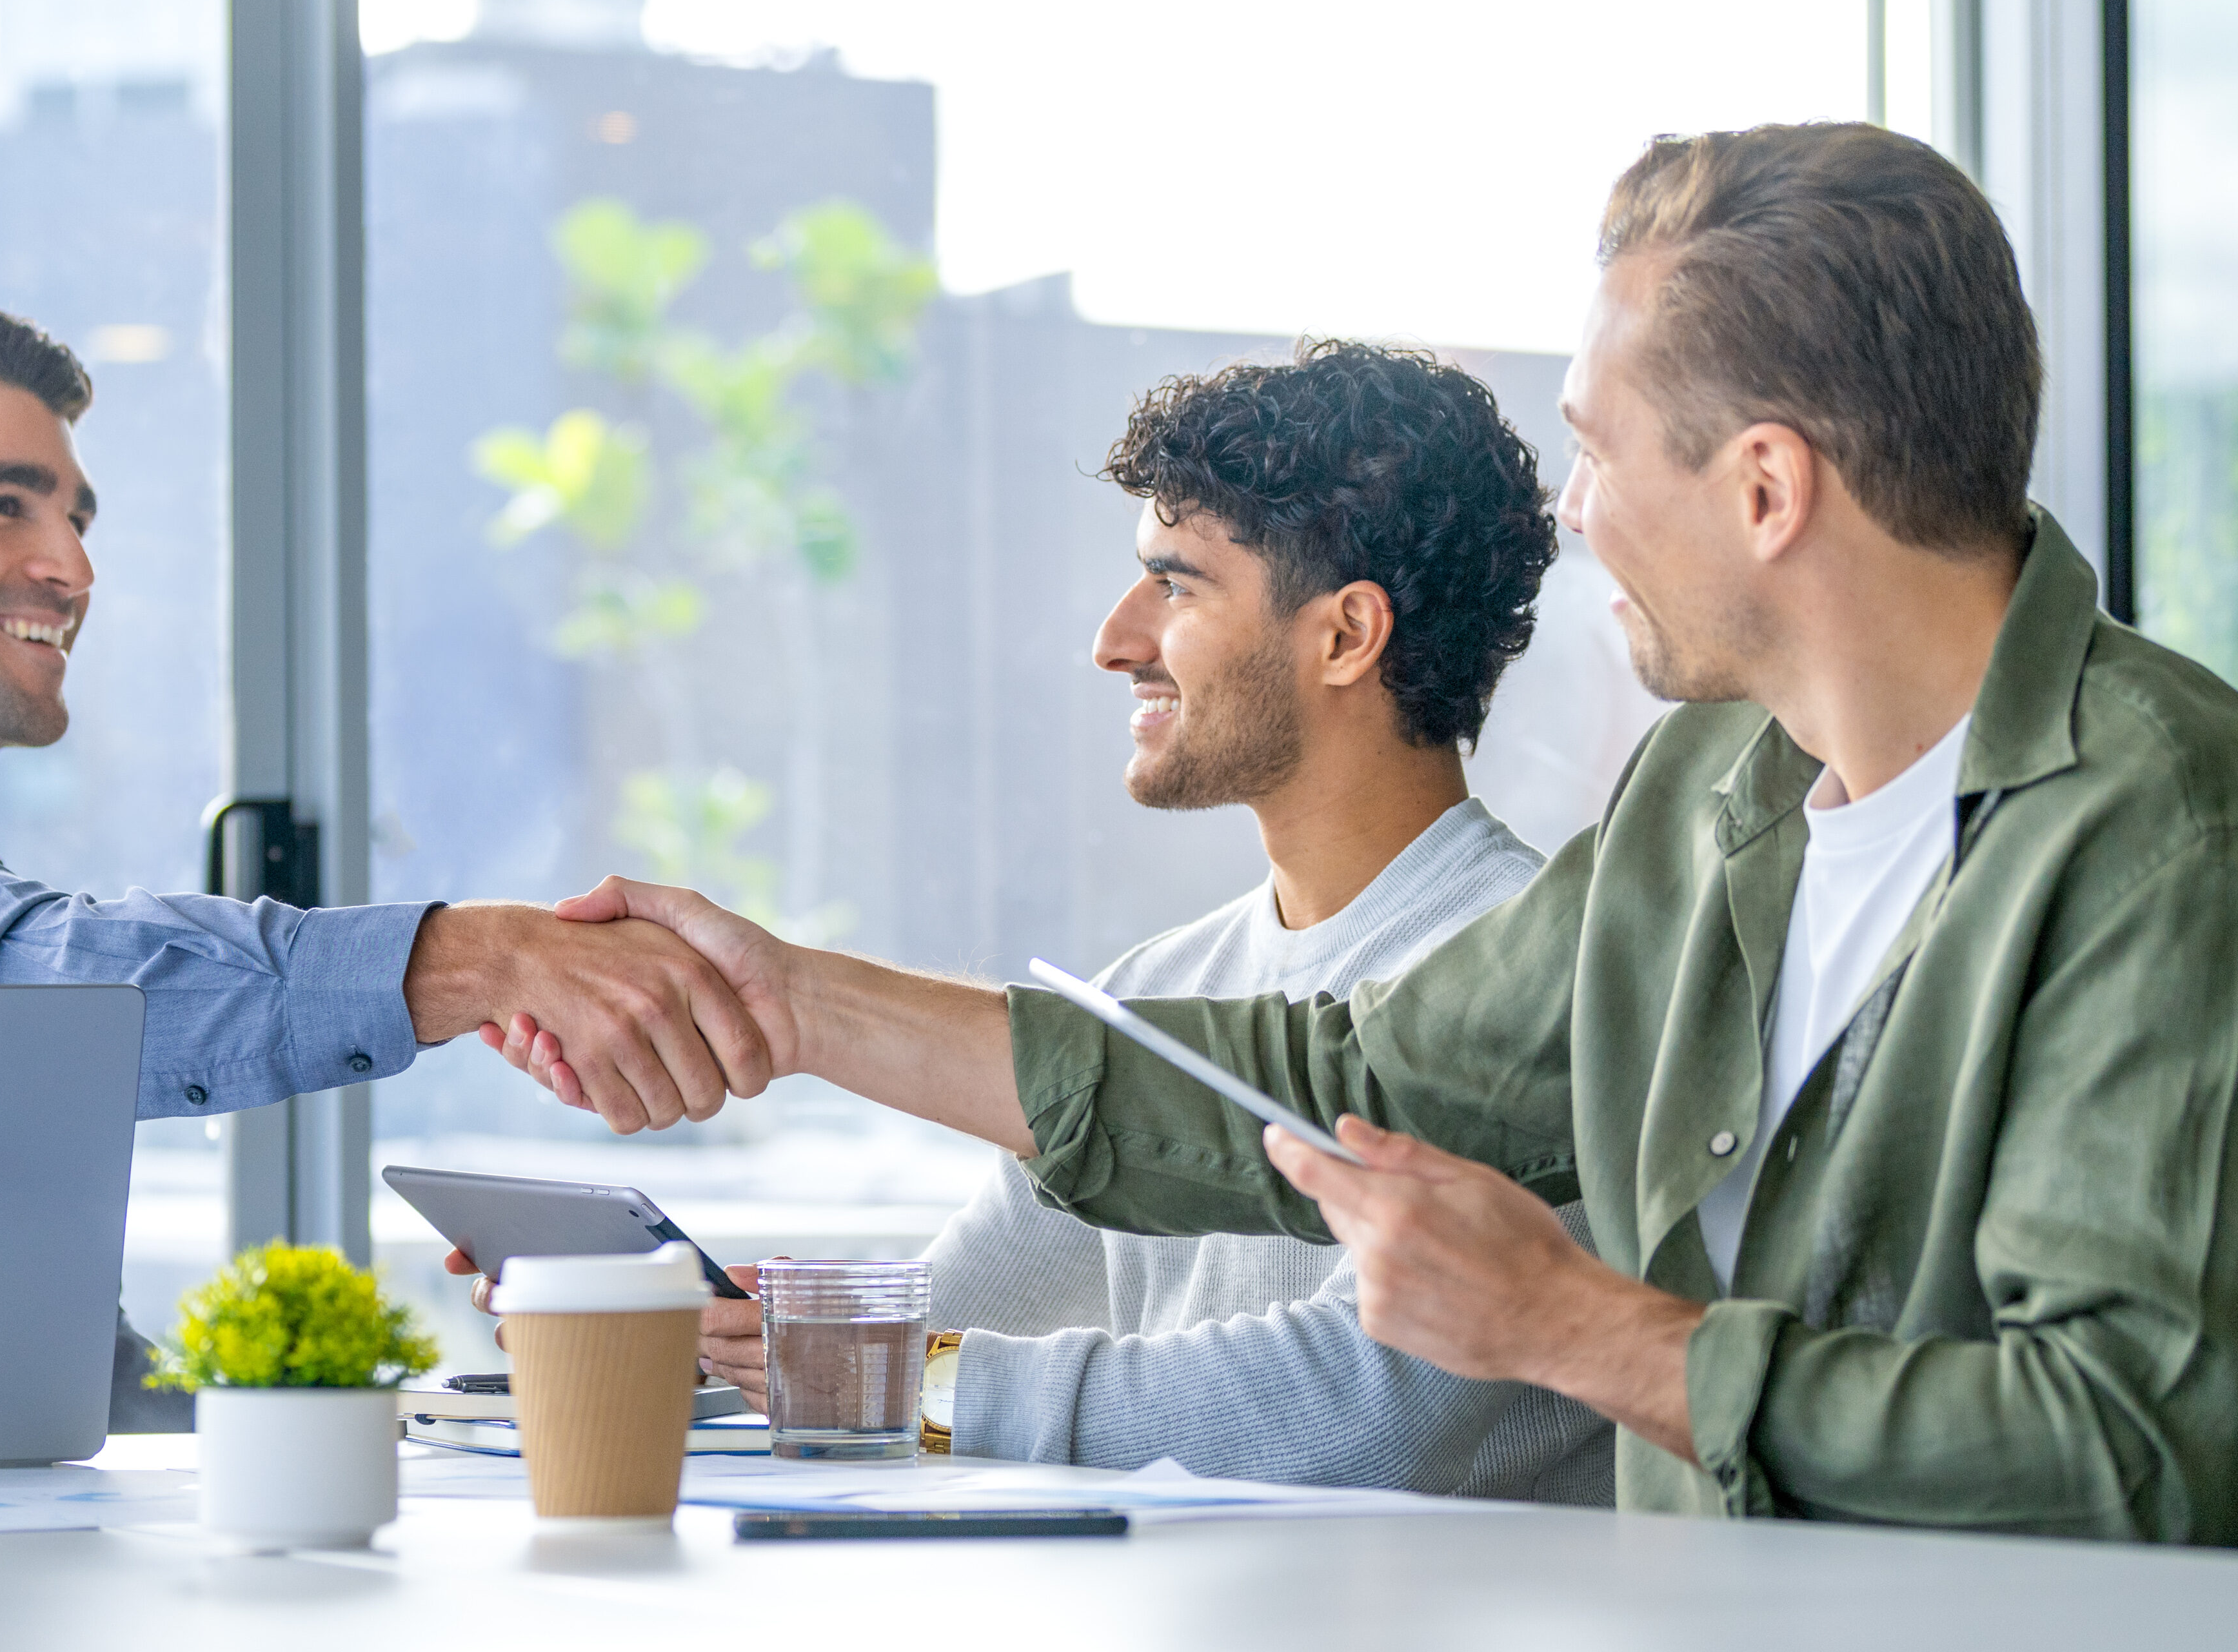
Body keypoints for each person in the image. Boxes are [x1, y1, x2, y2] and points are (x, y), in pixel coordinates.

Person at [488, 124, 2238, 1548]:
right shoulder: (1718, 804)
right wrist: (787, 995)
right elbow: (1337, 1076)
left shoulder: (2184, 849)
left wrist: (1583, 1329)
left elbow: (2118, 1451)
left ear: (1765, 488)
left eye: (1597, 446)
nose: (1574, 513)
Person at [0, 304, 773, 1415]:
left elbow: (54, 1378)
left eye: (76, 514)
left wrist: (413, 1412)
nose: (72, 565)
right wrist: (483, 958)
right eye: (4, 504)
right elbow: (39, 997)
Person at [687, 343, 1612, 1499]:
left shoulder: (1537, 985)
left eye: (1176, 584)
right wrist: (699, 1331)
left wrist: (899, 1377)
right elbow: (946, 1321)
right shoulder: (1168, 981)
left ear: (1345, 636)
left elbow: (1360, 1417)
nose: (1115, 640)